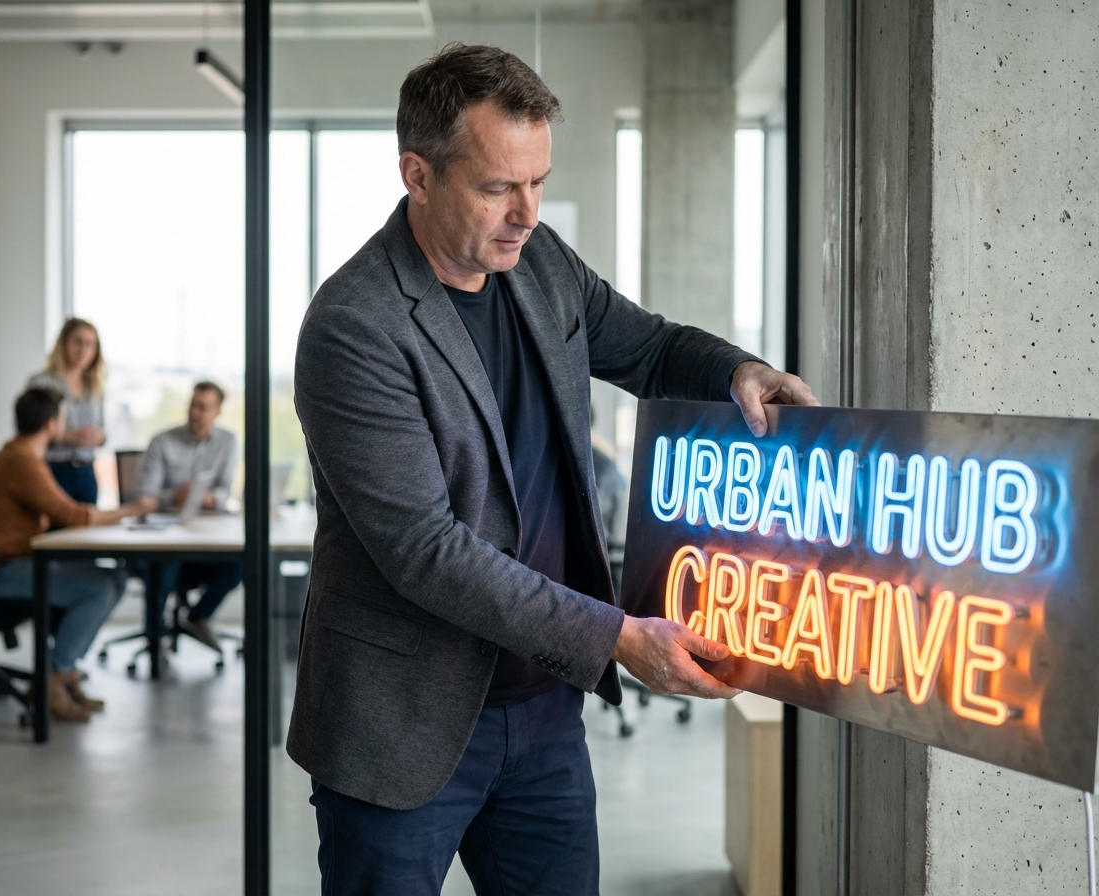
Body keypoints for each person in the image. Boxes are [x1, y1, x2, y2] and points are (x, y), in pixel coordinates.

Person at [289, 43, 819, 896]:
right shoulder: (355, 325)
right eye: (498, 186)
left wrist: (736, 372)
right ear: (417, 176)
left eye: (537, 182)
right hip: (403, 725)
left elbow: (648, 346)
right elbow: (427, 550)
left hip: (541, 712)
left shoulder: (537, 263)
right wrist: (617, 638)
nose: (526, 212)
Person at [0, 388, 155, 721]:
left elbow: (60, 514)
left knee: (114, 577)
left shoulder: (20, 455)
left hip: (10, 562)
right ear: (52, 425)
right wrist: (131, 510)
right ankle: (53, 678)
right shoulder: (21, 461)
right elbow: (70, 515)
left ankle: (63, 673)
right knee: (97, 588)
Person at [136, 381, 241, 650]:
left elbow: (224, 491)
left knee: (244, 561)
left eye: (203, 407)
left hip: (206, 534)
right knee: (164, 564)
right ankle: (155, 639)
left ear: (217, 412)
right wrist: (175, 496)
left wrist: (207, 497)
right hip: (166, 534)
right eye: (192, 405)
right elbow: (146, 494)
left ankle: (198, 616)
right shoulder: (162, 442)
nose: (194, 412)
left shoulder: (228, 442)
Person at [27, 318, 107, 503]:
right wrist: (70, 436)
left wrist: (97, 437)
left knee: (86, 529)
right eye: (78, 342)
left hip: (86, 472)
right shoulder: (42, 382)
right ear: (64, 343)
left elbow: (104, 432)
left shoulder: (95, 387)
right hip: (53, 470)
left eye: (90, 344)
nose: (83, 350)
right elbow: (30, 432)